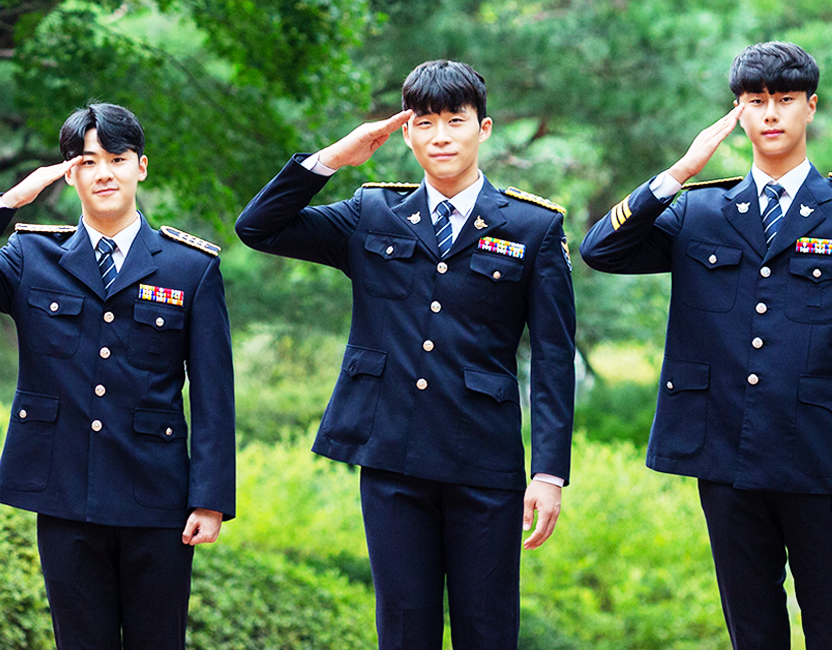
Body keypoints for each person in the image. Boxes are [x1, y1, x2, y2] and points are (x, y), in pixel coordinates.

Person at [578, 42, 832, 648]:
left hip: (823, 458)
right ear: (738, 111)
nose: (771, 113)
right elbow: (601, 249)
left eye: (785, 99)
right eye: (756, 101)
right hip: (725, 453)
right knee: (751, 630)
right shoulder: (700, 211)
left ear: (811, 106)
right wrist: (678, 172)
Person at [233, 60, 576, 650]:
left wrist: (548, 472)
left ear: (484, 129)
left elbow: (553, 357)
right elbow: (258, 228)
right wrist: (333, 160)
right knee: (402, 627)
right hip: (391, 454)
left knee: (487, 628)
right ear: (406, 132)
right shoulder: (371, 213)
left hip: (483, 459)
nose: (441, 136)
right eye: (425, 122)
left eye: (455, 121)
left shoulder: (532, 227)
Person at [0, 103, 234, 650]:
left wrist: (209, 499)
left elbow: (214, 394)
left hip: (156, 495)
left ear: (141, 167)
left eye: (117, 159)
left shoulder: (189, 267)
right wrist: (8, 204)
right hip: (64, 491)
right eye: (88, 161)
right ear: (70, 174)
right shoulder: (31, 255)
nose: (103, 173)